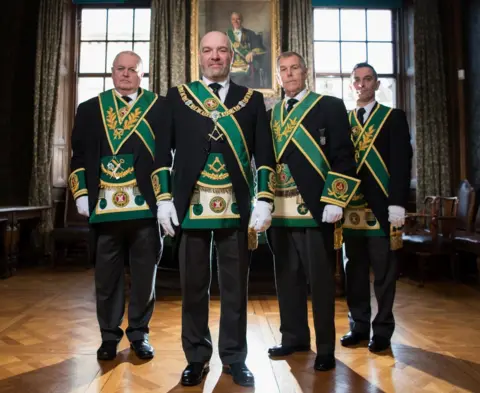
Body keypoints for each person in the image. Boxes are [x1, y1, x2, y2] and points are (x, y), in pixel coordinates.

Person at [153, 31, 275, 387]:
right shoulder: (178, 97)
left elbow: (263, 154)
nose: (215, 56)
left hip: (236, 208)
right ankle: (196, 357)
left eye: (222, 50)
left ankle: (235, 358)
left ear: (231, 55)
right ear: (200, 56)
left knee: (236, 287)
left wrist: (264, 198)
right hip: (189, 207)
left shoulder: (251, 99)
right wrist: (163, 200)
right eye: (208, 50)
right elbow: (163, 152)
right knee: (192, 286)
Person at [266, 51, 360, 371]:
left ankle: (325, 347)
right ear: (278, 77)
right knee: (287, 278)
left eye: (295, 69)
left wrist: (336, 199)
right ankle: (293, 337)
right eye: (283, 70)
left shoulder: (329, 106)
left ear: (306, 72)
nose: (289, 74)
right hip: (279, 209)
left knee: (320, 282)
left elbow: (344, 156)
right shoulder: (272, 112)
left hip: (316, 208)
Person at [69, 51, 163, 361]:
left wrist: (167, 199)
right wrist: (81, 194)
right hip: (105, 210)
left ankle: (139, 335)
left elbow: (170, 158)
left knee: (144, 277)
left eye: (132, 70)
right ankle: (108, 336)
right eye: (120, 69)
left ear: (141, 74)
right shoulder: (89, 110)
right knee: (106, 278)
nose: (125, 74)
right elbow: (79, 157)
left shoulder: (159, 108)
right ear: (112, 73)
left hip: (146, 209)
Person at [340, 62, 412, 353]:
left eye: (367, 79)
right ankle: (358, 326)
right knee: (354, 273)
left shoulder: (393, 117)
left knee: (383, 273)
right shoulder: (344, 120)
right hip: (351, 209)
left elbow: (401, 162)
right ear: (351, 85)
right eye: (357, 80)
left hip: (382, 208)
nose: (362, 84)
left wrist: (398, 202)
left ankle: (381, 330)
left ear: (377, 84)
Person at [227, 11, 266, 88]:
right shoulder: (227, 35)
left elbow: (259, 48)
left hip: (248, 66)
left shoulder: (250, 33)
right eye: (233, 19)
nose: (235, 21)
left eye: (238, 19)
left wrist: (253, 53)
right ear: (231, 21)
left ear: (242, 20)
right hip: (232, 68)